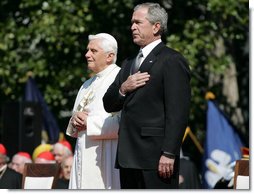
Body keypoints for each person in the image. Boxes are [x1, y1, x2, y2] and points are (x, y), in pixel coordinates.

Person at [103, 2, 191, 189]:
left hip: (155, 157)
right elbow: (108, 104)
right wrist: (123, 88)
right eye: (131, 23)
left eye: (138, 22)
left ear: (156, 26)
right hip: (128, 157)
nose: (132, 27)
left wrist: (169, 152)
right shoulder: (128, 63)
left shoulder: (171, 60)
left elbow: (178, 113)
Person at [66, 33, 121, 189]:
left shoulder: (120, 79)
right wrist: (75, 120)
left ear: (110, 56)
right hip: (82, 152)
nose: (87, 54)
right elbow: (75, 117)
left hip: (107, 156)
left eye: (93, 51)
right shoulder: (87, 84)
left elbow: (124, 122)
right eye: (87, 50)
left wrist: (89, 123)